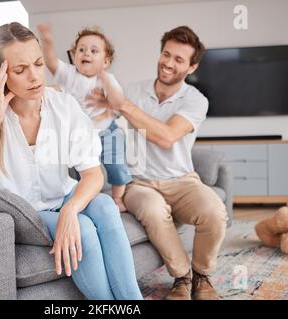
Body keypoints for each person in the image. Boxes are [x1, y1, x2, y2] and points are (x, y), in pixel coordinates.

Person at [0, 22, 142, 300]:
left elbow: (93, 174)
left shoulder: (63, 105)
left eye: (38, 64)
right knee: (83, 230)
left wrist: (70, 210)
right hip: (26, 210)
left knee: (106, 205)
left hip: (61, 197)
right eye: (21, 70)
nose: (35, 76)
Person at [86, 26, 227, 300]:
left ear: (192, 66)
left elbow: (167, 137)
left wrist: (124, 106)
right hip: (140, 183)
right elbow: (103, 119)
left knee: (214, 211)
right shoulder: (134, 90)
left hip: (183, 180)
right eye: (166, 54)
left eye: (178, 59)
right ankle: (182, 277)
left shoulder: (196, 100)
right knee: (152, 210)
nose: (168, 63)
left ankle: (202, 275)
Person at [37, 24, 132, 212]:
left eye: (94, 51)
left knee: (116, 163)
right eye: (81, 49)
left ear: (106, 61)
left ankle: (118, 197)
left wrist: (105, 80)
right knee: (83, 169)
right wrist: (47, 41)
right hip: (81, 134)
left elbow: (118, 102)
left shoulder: (107, 79)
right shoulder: (70, 75)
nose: (86, 53)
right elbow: (52, 62)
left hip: (106, 129)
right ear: (74, 56)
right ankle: (86, 196)